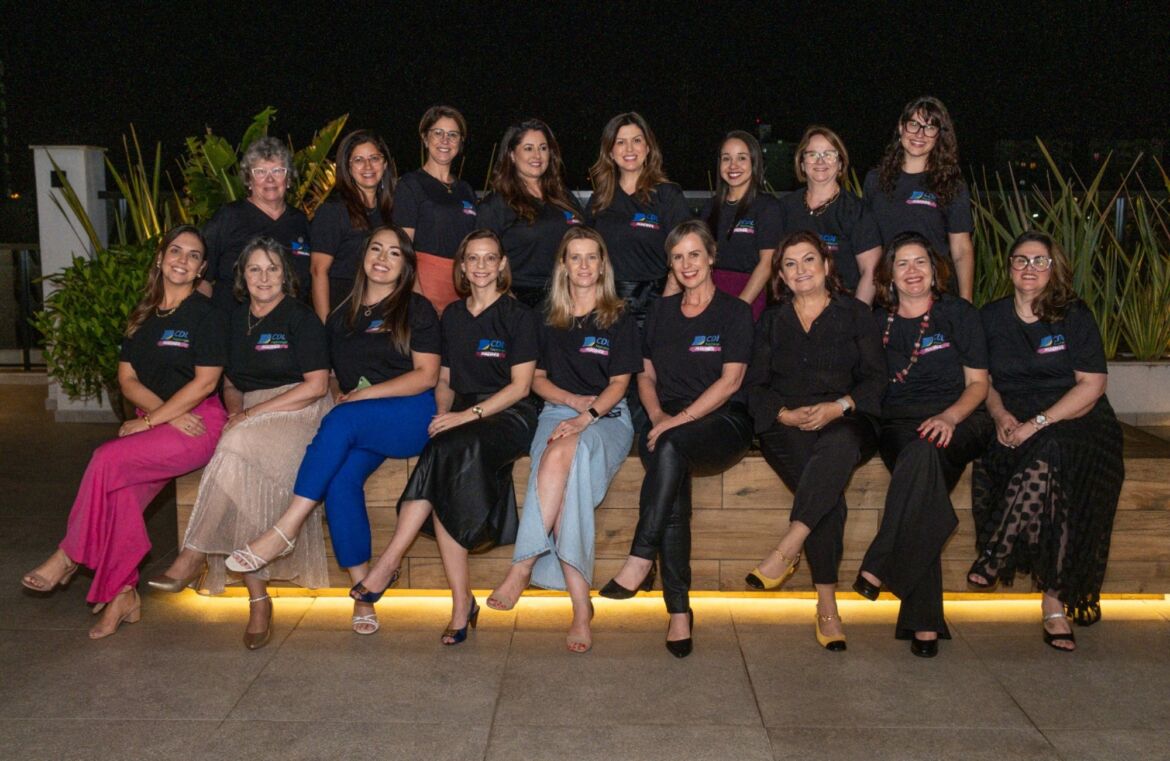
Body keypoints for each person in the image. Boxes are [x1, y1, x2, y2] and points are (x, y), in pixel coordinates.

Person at [224, 226, 440, 637]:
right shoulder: (341, 316)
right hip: (362, 421)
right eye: (376, 249)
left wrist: (362, 396)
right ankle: (363, 593)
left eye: (394, 253)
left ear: (405, 265)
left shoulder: (417, 309)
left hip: (410, 414)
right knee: (340, 480)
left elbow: (426, 376)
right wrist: (344, 391)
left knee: (340, 419)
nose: (382, 258)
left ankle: (285, 529)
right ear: (363, 256)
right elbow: (337, 375)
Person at [21, 226, 227, 639]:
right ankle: (122, 595)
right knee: (121, 496)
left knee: (105, 458)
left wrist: (154, 420)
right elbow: (127, 379)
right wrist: (161, 416)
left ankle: (69, 554)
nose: (182, 260)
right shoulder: (143, 314)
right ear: (160, 258)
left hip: (198, 423)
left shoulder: (207, 315)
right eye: (176, 251)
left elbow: (205, 383)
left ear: (201, 268)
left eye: (193, 255)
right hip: (163, 420)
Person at [354, 230, 540, 646]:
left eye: (489, 258)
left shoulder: (519, 316)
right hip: (463, 415)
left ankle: (389, 562)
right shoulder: (452, 316)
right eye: (472, 258)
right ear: (462, 266)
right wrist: (443, 414)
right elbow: (445, 379)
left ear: (502, 265)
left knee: (450, 448)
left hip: (510, 415)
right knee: (443, 448)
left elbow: (521, 387)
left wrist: (464, 417)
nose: (480, 266)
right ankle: (461, 602)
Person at [150, 237, 332, 650]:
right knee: (238, 467)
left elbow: (316, 386)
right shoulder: (232, 321)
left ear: (285, 275)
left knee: (232, 450)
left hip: (299, 410)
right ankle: (257, 600)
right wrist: (237, 411)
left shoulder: (301, 318)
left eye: (272, 269)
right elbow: (229, 382)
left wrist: (250, 417)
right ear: (242, 277)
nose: (263, 278)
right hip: (250, 413)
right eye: (254, 269)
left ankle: (194, 554)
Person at [599, 220, 753, 659]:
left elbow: (730, 382)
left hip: (723, 423)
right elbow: (645, 375)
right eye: (678, 257)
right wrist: (658, 417)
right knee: (671, 475)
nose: (687, 264)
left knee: (669, 446)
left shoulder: (734, 312)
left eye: (694, 254)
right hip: (666, 421)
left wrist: (677, 421)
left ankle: (640, 557)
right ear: (670, 263)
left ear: (711, 257)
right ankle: (679, 614)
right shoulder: (660, 313)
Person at [968, 231, 1124, 652]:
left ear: (1054, 268)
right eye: (1021, 260)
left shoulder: (1073, 314)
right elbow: (984, 381)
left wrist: (1037, 424)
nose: (1030, 268)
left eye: (1040, 261)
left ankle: (998, 555)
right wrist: (1000, 415)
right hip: (1013, 416)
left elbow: (1091, 385)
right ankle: (1051, 604)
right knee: (1043, 462)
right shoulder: (991, 317)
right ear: (1009, 268)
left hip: (1078, 417)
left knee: (1053, 453)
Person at [487, 226, 639, 653]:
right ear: (563, 265)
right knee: (566, 474)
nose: (584, 265)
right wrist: (571, 404)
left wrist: (586, 417)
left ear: (603, 265)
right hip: (556, 412)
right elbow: (535, 379)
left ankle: (523, 565)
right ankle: (580, 606)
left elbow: (619, 385)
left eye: (592, 257)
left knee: (563, 454)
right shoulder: (545, 316)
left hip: (608, 417)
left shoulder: (619, 316)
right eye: (576, 257)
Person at [851, 233, 993, 658]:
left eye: (920, 263)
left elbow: (979, 384)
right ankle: (923, 621)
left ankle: (880, 561)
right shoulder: (877, 322)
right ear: (889, 276)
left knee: (923, 455)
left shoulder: (959, 314)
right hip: (900, 426)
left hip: (961, 418)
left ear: (935, 270)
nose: (912, 271)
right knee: (924, 480)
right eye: (902, 264)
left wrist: (950, 417)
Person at [744, 230, 885, 652]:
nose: (800, 270)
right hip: (785, 424)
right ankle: (827, 607)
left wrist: (837, 407)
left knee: (836, 448)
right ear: (781, 276)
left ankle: (788, 547)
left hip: (848, 419)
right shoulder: (772, 321)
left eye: (808, 259)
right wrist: (783, 414)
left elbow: (877, 380)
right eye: (790, 264)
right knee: (825, 489)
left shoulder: (856, 314)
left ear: (826, 265)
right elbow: (755, 385)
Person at [863, 97, 975, 301]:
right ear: (901, 127)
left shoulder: (951, 183)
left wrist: (966, 303)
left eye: (930, 128)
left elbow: (961, 249)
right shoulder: (875, 180)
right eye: (914, 124)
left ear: (939, 135)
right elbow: (868, 247)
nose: (920, 134)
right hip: (888, 295)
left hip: (937, 294)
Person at [587, 112, 691, 328]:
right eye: (620, 142)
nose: (629, 149)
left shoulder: (668, 195)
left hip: (655, 303)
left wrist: (668, 297)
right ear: (610, 152)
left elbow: (685, 252)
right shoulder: (599, 199)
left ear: (648, 147)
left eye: (636, 140)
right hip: (606, 306)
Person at [477, 119, 584, 309]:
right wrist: (510, 304)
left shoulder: (565, 197)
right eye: (528, 148)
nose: (537, 155)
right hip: (520, 303)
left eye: (543, 148)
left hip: (566, 299)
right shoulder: (496, 205)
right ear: (512, 155)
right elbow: (482, 262)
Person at [199, 137, 313, 311]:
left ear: (288, 179)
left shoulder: (300, 220)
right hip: (232, 321)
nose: (270, 179)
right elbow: (200, 278)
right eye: (260, 172)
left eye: (277, 171)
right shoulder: (229, 216)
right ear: (248, 180)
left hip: (290, 322)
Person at [778, 126, 882, 304]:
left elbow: (871, 271)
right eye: (812, 154)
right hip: (794, 308)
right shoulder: (785, 207)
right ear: (802, 163)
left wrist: (858, 315)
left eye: (829, 154)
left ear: (840, 163)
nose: (820, 161)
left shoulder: (856, 211)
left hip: (842, 308)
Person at [396, 105, 478, 315]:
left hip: (462, 286)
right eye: (438, 133)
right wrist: (418, 298)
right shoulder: (410, 184)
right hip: (425, 286)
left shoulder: (466, 190)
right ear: (425, 138)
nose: (445, 140)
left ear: (460, 142)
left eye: (453, 135)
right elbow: (403, 248)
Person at [310, 129, 397, 320]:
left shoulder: (392, 211)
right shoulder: (333, 211)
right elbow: (318, 270)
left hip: (380, 310)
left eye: (374, 158)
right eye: (358, 160)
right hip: (343, 309)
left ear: (384, 164)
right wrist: (325, 325)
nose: (368, 166)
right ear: (348, 168)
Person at [700, 131, 781, 320]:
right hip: (710, 293)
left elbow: (767, 263)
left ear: (754, 162)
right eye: (726, 158)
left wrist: (740, 305)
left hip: (750, 294)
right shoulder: (710, 207)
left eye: (742, 158)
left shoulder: (767, 206)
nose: (733, 165)